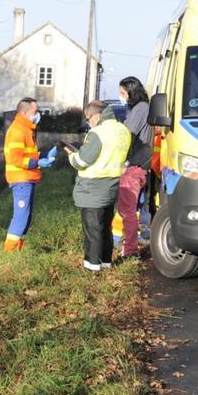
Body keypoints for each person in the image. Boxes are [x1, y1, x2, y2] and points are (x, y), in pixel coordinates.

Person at [68, 100, 131, 270]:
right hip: (112, 185)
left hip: (93, 187)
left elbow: (83, 160)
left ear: (96, 115)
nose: (88, 122)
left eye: (88, 118)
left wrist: (71, 156)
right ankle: (105, 262)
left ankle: (92, 267)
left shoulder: (98, 133)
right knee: (105, 228)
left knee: (92, 229)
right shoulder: (123, 130)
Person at [3, 97, 57, 252]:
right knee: (21, 217)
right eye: (35, 111)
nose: (38, 114)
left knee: (24, 217)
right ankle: (9, 252)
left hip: (26, 178)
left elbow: (27, 153)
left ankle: (15, 251)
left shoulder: (26, 128)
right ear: (25, 112)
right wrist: (38, 163)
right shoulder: (18, 130)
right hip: (21, 179)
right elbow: (15, 158)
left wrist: (43, 155)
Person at [116, 77, 151, 259]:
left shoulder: (140, 109)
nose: (120, 97)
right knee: (131, 209)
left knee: (127, 210)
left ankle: (130, 250)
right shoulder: (140, 107)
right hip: (140, 164)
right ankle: (129, 245)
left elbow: (126, 134)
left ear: (132, 91)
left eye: (122, 93)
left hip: (134, 165)